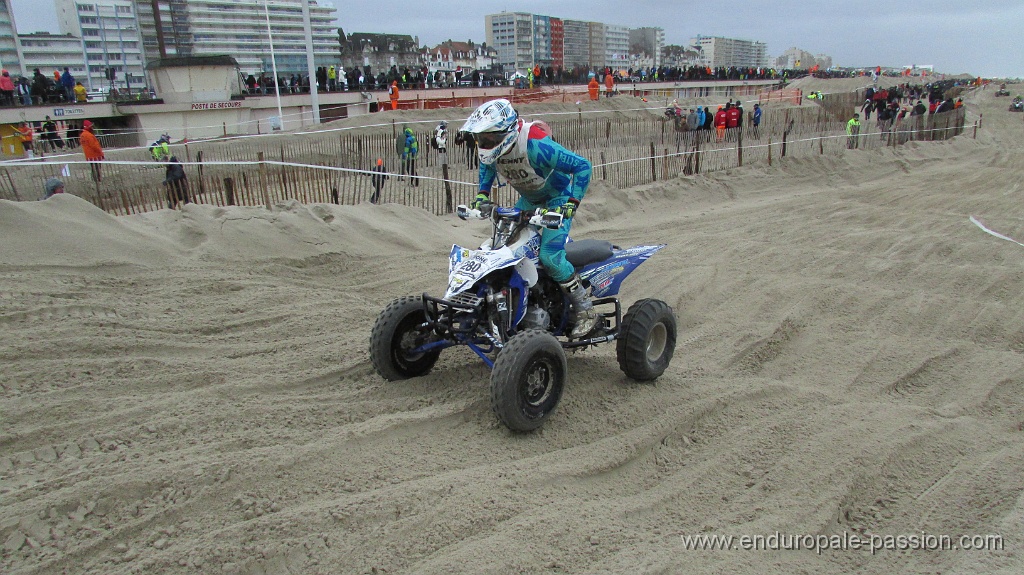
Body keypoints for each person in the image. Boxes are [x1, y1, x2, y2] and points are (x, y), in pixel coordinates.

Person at [460, 98, 597, 338]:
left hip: (557, 199)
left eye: (490, 138)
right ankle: (499, 306)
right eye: (481, 138)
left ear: (507, 132)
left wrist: (571, 204)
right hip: (528, 201)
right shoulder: (493, 151)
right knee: (502, 251)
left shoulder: (536, 146)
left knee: (550, 257)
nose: (485, 143)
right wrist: (482, 195)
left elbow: (583, 166)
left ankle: (586, 310)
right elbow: (488, 164)